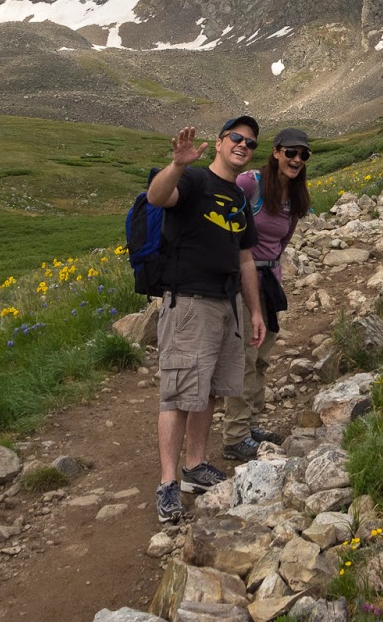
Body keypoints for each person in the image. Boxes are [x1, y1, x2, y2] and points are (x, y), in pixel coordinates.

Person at [145, 117, 267, 525]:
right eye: (236, 138)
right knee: (179, 393)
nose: (243, 146)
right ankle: (166, 484)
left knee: (210, 389)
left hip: (226, 304)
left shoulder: (239, 199)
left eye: (250, 143)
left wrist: (254, 310)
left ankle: (195, 466)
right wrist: (178, 164)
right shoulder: (195, 181)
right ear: (219, 143)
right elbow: (157, 197)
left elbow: (246, 258)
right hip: (189, 303)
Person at [221, 127, 312, 461]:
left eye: (303, 155)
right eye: (291, 152)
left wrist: (271, 266)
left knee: (261, 358)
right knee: (245, 359)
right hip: (243, 281)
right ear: (275, 152)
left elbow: (284, 239)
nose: (297, 159)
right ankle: (234, 436)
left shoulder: (296, 196)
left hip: (270, 281)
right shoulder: (250, 183)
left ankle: (251, 425)